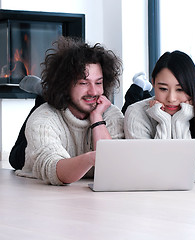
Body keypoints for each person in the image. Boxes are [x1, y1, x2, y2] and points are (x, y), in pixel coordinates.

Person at [13, 36, 124, 185]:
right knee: (15, 158)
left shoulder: (111, 114)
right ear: (65, 84)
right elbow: (53, 170)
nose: (93, 91)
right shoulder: (43, 118)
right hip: (30, 155)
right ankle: (44, 94)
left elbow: (113, 169)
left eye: (98, 83)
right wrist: (91, 158)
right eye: (83, 83)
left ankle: (46, 92)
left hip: (69, 111)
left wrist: (97, 118)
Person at [123, 50, 195, 171]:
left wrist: (179, 122)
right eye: (163, 89)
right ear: (153, 83)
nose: (171, 98)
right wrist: (164, 121)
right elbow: (149, 171)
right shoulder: (135, 114)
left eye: (180, 89)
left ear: (192, 88)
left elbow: (194, 173)